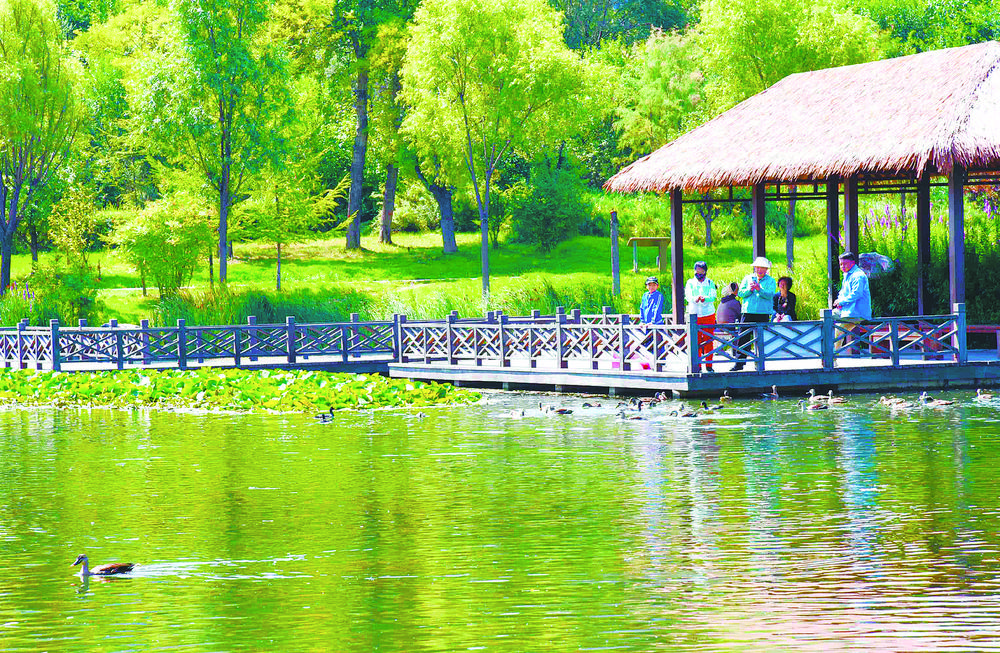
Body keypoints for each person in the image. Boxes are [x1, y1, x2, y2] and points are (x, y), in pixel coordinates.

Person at [732, 256, 777, 371]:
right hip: (748, 312)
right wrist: (750, 289)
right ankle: (739, 363)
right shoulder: (747, 278)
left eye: (762, 268)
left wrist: (759, 289)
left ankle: (760, 363)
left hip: (763, 313)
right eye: (758, 267)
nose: (760, 270)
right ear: (755, 268)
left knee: (761, 338)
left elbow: (770, 294)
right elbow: (740, 293)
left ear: (766, 269)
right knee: (743, 337)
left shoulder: (771, 280)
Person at [834, 252, 872, 353]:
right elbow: (843, 293)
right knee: (826, 317)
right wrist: (839, 302)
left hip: (857, 312)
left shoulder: (858, 276)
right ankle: (823, 349)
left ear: (853, 263)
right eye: (840, 264)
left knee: (839, 329)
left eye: (845, 264)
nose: (842, 266)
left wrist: (841, 302)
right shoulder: (847, 275)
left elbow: (857, 294)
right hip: (847, 311)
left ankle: (832, 356)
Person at [684, 261, 717, 371]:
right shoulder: (690, 282)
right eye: (697, 271)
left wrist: (705, 299)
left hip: (708, 314)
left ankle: (709, 365)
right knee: (695, 341)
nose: (698, 273)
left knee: (709, 340)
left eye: (701, 271)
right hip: (694, 314)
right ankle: (697, 365)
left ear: (705, 271)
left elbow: (713, 296)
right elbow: (688, 296)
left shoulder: (710, 282)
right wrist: (695, 298)